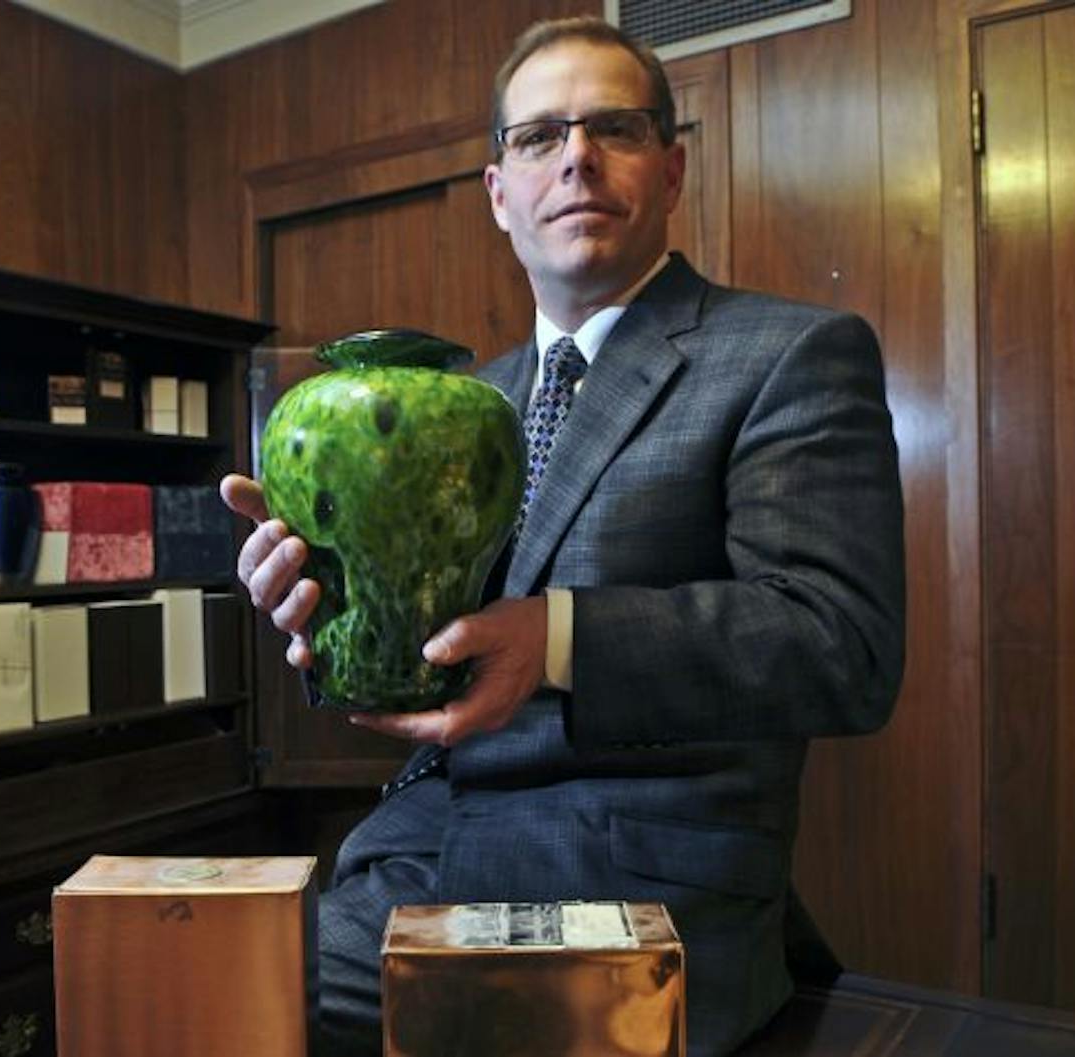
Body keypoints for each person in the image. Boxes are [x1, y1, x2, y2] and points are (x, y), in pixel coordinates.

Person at [222, 15, 904, 1057]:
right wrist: (320, 599)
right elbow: (420, 658)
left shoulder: (789, 352)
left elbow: (839, 643)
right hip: (420, 845)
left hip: (641, 873)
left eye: (612, 129)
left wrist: (554, 639)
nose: (574, 155)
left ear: (670, 169)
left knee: (244, 1001)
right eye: (538, 136)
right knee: (187, 982)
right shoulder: (467, 400)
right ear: (499, 193)